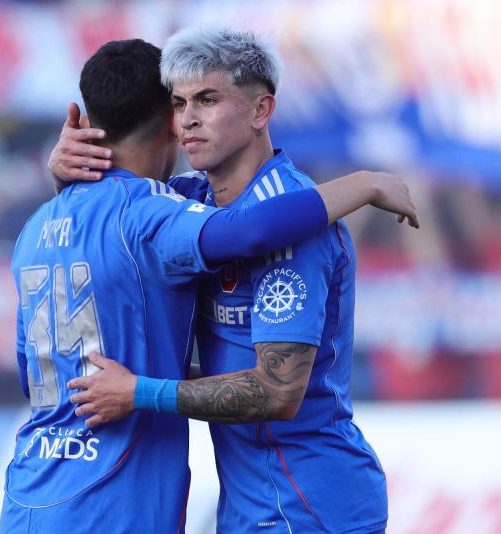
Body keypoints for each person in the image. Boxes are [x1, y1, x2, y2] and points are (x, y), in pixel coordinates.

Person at [59, 28, 398, 533]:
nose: (188, 118)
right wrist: (64, 168)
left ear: (261, 111)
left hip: (310, 503)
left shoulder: (294, 227)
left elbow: (277, 392)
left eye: (208, 99)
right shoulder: (190, 202)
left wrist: (139, 393)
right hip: (249, 506)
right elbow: (112, 210)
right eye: (178, 103)